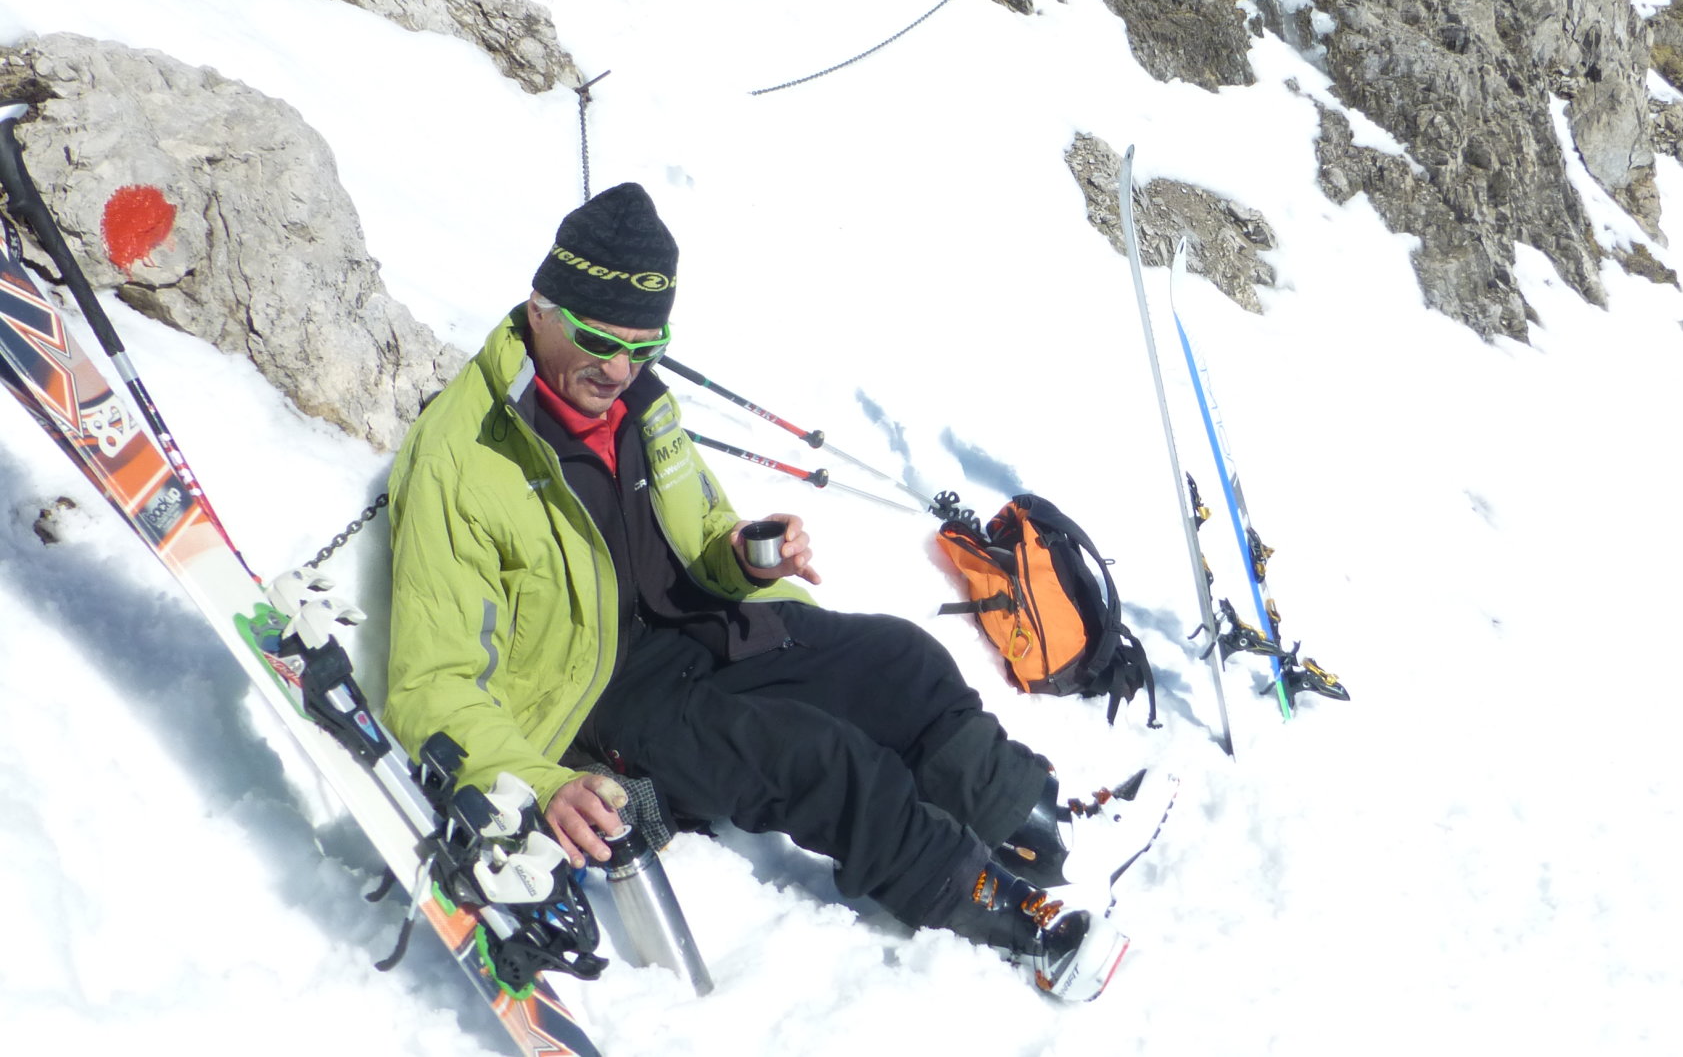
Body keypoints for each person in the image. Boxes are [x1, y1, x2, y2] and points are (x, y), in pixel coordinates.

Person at [382, 183, 1127, 1000]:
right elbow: (433, 684)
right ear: (541, 306)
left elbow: (702, 531)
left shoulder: (640, 402)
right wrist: (545, 784)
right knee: (816, 758)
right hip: (600, 698)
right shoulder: (463, 457)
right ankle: (996, 911)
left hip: (698, 629)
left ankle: (1029, 824)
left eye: (645, 346)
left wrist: (743, 556)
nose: (619, 369)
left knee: (900, 661)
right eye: (599, 340)